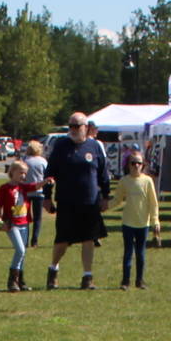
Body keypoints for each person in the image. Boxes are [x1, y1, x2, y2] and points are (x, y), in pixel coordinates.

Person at [44, 111, 110, 290]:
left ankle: (87, 277)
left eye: (76, 126)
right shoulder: (61, 146)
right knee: (62, 240)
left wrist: (105, 196)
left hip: (89, 201)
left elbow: (103, 173)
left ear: (86, 128)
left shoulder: (94, 146)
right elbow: (50, 172)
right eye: (70, 126)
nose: (73, 130)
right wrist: (47, 196)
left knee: (89, 239)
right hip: (66, 200)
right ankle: (53, 270)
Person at [111, 153, 161, 290]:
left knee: (141, 254)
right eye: (133, 163)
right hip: (128, 223)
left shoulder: (148, 181)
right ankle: (125, 281)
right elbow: (117, 200)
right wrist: (104, 206)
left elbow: (153, 203)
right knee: (128, 253)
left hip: (143, 224)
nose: (136, 166)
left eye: (139, 163)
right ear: (128, 165)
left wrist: (155, 220)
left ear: (143, 165)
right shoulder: (124, 181)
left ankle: (139, 281)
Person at [0, 158, 39, 291]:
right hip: (11, 223)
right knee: (20, 250)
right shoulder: (4, 188)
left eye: (25, 173)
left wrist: (47, 180)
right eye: (21, 173)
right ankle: (12, 281)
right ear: (12, 172)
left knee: (23, 252)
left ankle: (20, 281)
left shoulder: (23, 187)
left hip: (24, 223)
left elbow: (35, 186)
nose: (23, 176)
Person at [23, 139, 49, 247]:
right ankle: (35, 240)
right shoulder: (43, 161)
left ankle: (25, 240)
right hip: (39, 191)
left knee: (25, 217)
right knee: (38, 218)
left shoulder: (24, 160)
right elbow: (47, 175)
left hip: (26, 191)